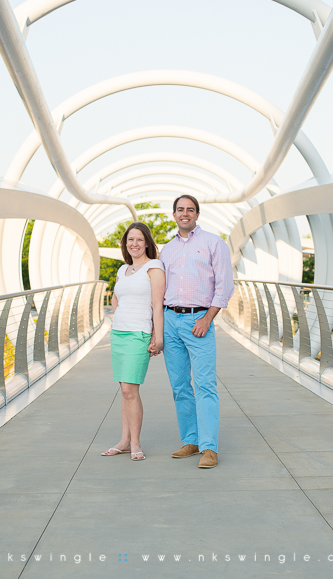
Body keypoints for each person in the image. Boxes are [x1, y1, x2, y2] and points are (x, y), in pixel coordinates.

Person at [156, 194, 234, 469]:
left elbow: (224, 285)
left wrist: (208, 318)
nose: (185, 214)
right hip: (171, 320)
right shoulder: (166, 250)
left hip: (199, 320)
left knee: (205, 385)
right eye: (180, 209)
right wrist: (158, 329)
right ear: (174, 214)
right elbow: (159, 290)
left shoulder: (214, 243)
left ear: (197, 215)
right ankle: (191, 440)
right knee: (179, 387)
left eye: (190, 210)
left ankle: (209, 447)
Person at [101, 222, 165, 461]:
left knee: (130, 389)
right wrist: (116, 319)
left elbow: (158, 305)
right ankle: (124, 441)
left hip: (139, 334)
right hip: (119, 334)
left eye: (139, 239)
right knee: (124, 390)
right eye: (130, 240)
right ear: (125, 244)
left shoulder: (154, 267)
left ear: (147, 242)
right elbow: (116, 299)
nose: (134, 244)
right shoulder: (122, 270)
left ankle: (135, 443)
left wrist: (157, 336)